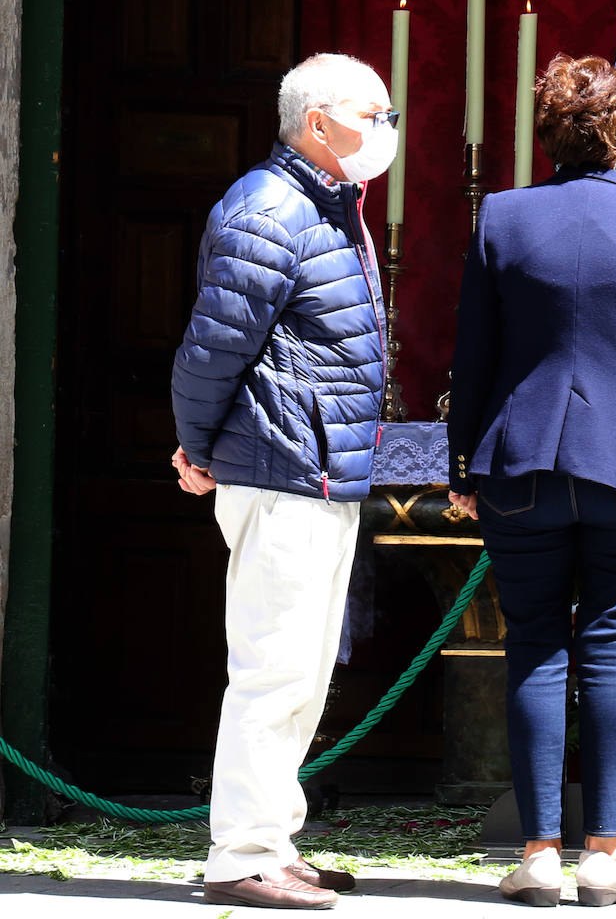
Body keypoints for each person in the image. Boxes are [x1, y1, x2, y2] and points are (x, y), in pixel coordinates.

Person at [447, 53, 616, 907]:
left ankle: (537, 855)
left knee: (532, 644)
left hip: (521, 464)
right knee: (611, 651)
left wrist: (462, 469)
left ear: (547, 132)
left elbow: (472, 358)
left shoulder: (501, 218)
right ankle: (602, 856)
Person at [171, 52, 398, 910]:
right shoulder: (270, 208)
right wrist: (197, 447)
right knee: (272, 666)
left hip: (316, 470)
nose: (387, 131)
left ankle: (274, 836)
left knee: (301, 671)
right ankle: (240, 856)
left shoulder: (325, 205)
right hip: (281, 465)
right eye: (373, 115)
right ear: (317, 124)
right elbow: (213, 345)